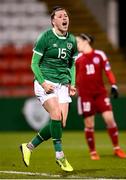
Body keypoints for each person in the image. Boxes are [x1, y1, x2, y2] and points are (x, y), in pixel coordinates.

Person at [20, 6, 77, 172]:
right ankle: (60, 155)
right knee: (56, 115)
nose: (64, 18)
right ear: (53, 20)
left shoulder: (72, 40)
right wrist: (43, 82)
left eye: (66, 15)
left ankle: (28, 147)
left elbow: (72, 64)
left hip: (63, 84)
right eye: (60, 16)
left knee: (60, 122)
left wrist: (72, 83)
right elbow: (34, 63)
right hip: (46, 82)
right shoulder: (45, 37)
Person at [75, 33, 126, 160]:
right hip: (85, 95)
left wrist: (114, 85)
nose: (76, 45)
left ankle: (117, 148)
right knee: (89, 124)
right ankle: (93, 151)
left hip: (100, 93)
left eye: (78, 42)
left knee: (110, 120)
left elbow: (108, 71)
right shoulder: (77, 58)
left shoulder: (100, 54)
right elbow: (72, 76)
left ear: (86, 41)